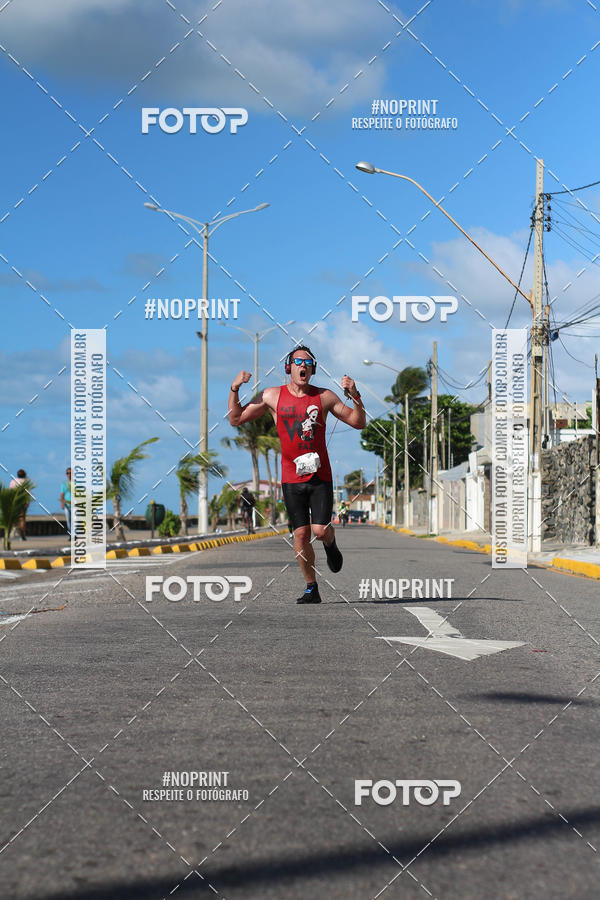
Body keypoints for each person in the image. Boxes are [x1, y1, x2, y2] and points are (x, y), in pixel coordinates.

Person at [229, 346, 365, 604]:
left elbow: (359, 422)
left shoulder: (324, 397)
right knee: (301, 535)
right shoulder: (271, 396)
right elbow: (236, 419)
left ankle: (330, 543)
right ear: (288, 367)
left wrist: (355, 394)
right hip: (291, 479)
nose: (303, 366)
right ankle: (312, 587)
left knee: (320, 530)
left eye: (308, 363)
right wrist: (234, 389)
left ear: (313, 369)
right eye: (298, 362)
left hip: (320, 477)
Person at [9, 469, 29, 541]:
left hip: (14, 501)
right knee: (22, 519)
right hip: (23, 501)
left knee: (13, 517)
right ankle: (22, 536)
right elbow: (27, 493)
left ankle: (13, 531)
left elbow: (10, 492)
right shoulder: (25, 482)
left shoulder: (13, 481)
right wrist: (27, 502)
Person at [60, 467, 72, 535]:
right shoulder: (64, 484)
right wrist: (62, 503)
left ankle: (75, 534)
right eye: (68, 473)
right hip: (66, 505)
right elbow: (62, 494)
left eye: (70, 473)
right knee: (68, 520)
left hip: (74, 505)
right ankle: (70, 534)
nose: (69, 474)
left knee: (75, 520)